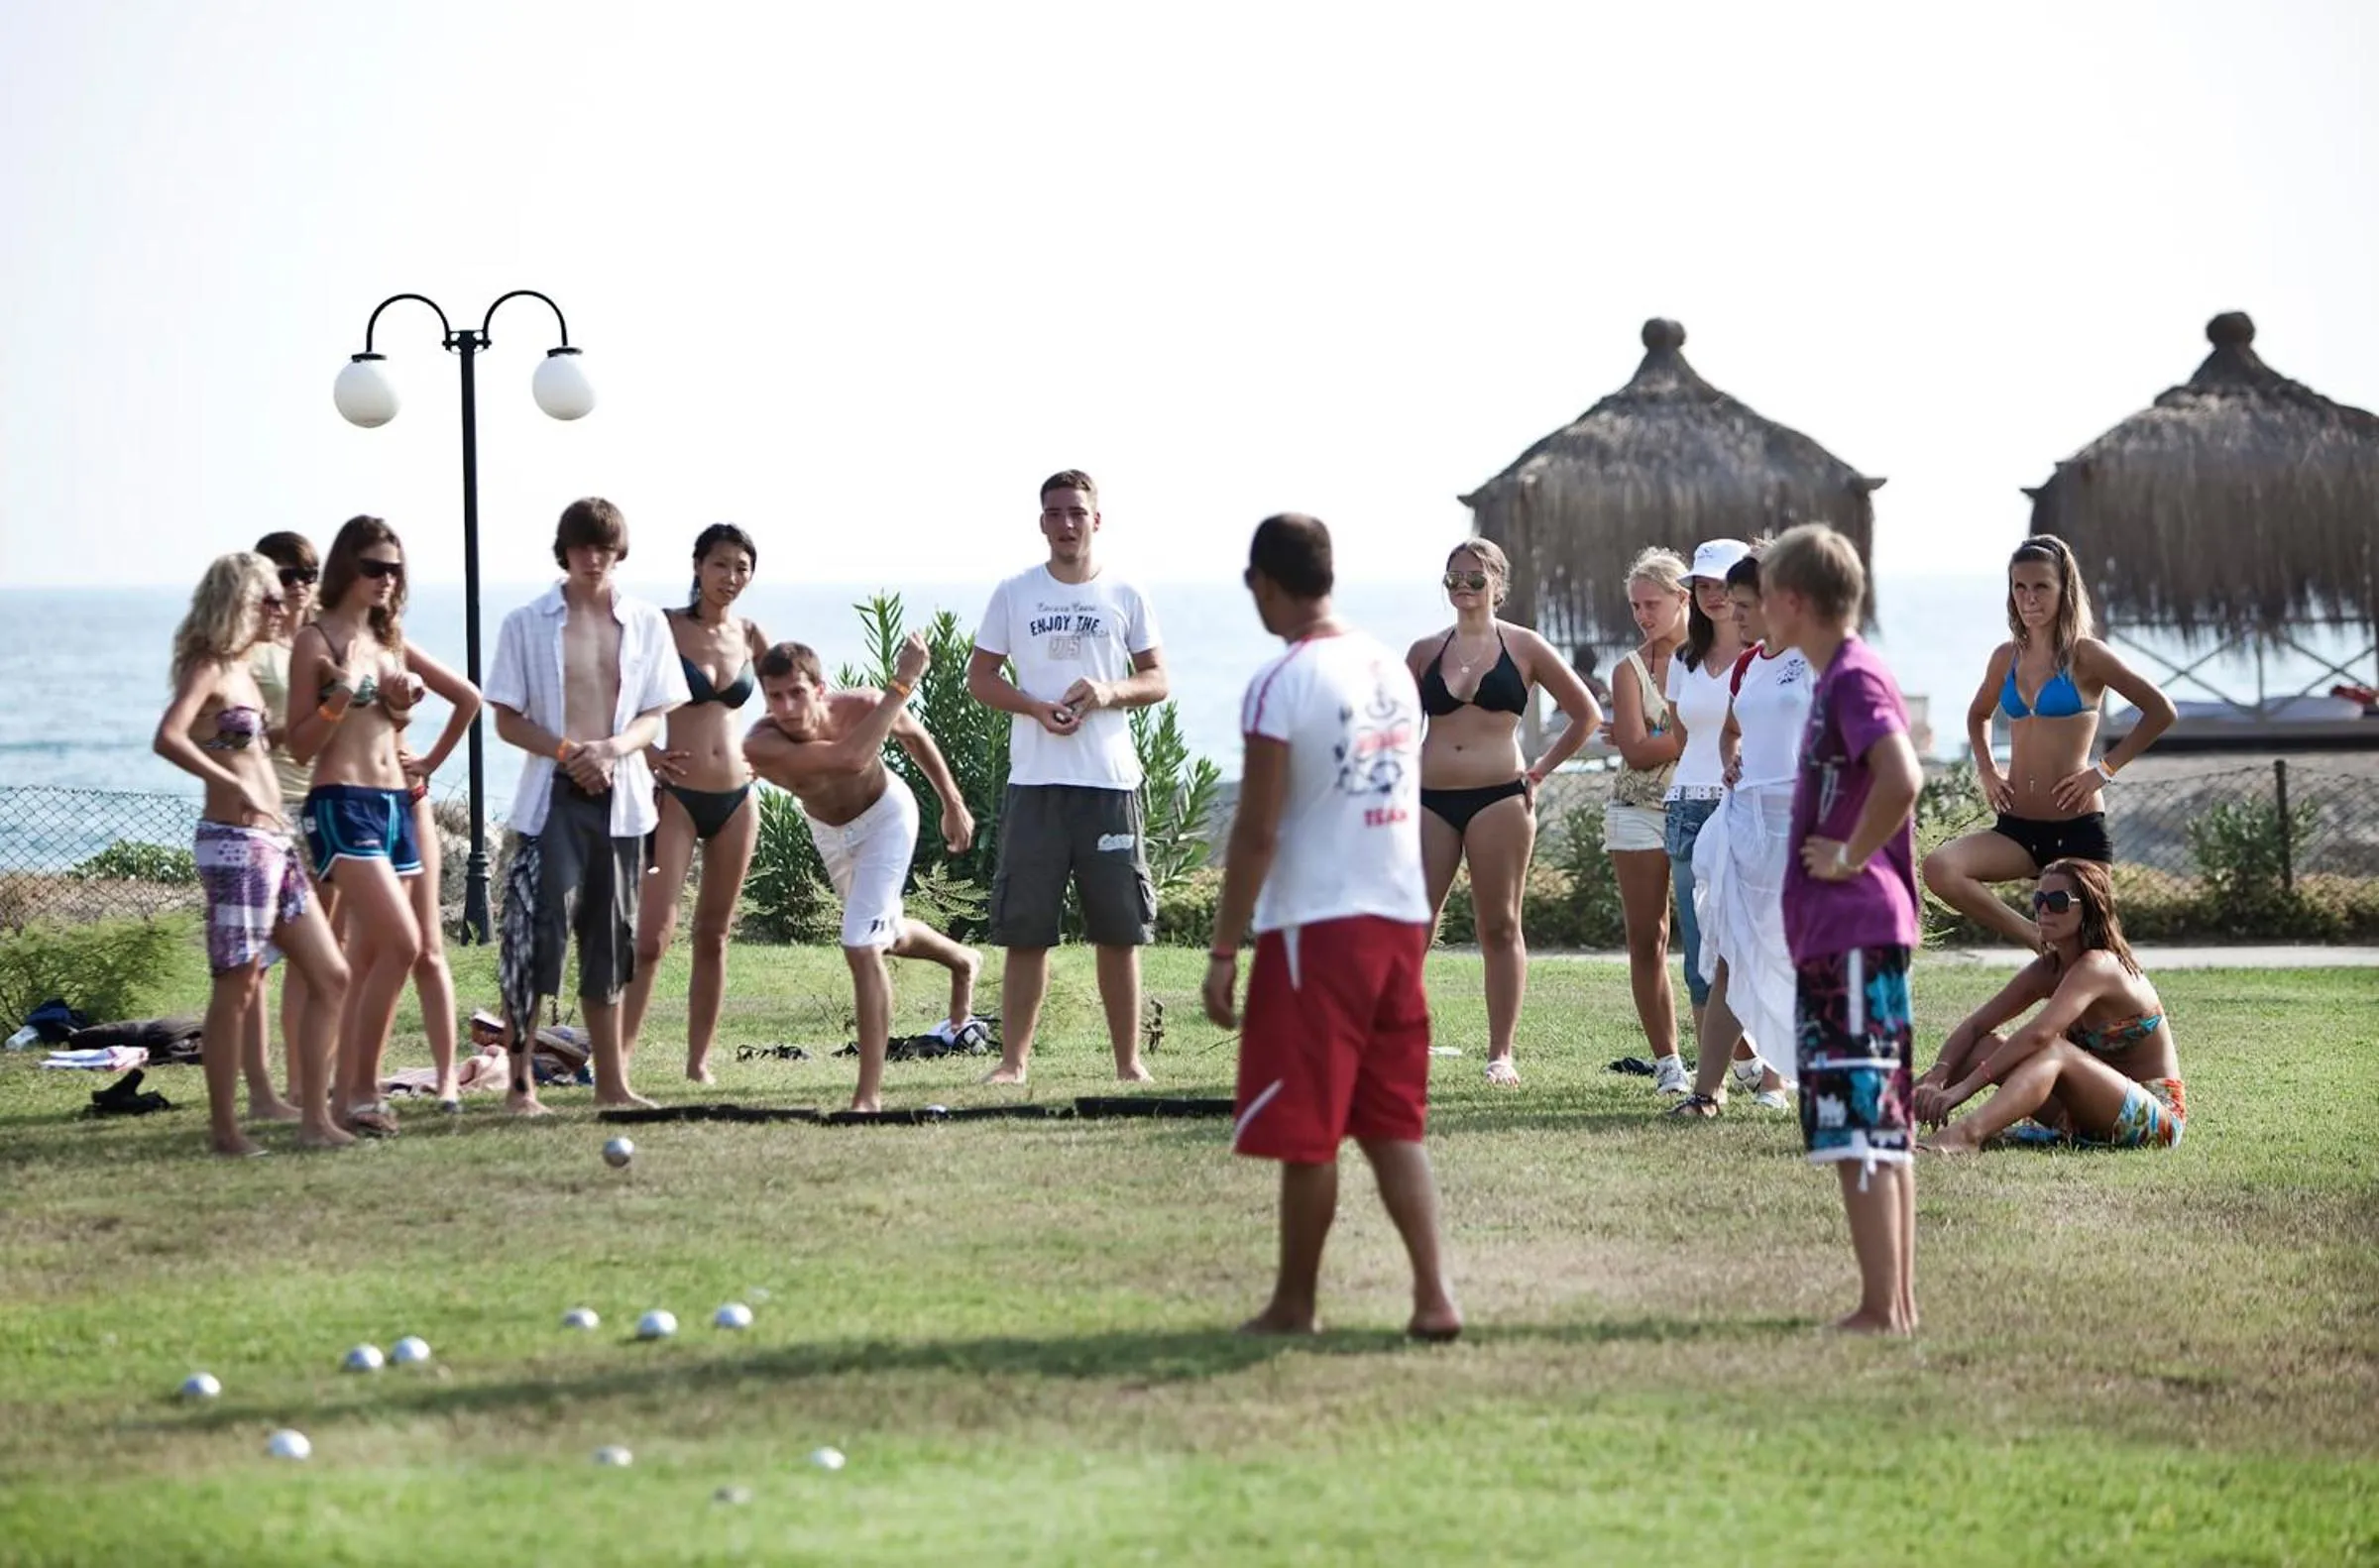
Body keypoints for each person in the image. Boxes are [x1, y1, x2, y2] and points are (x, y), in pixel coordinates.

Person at [1201, 513, 1460, 1342]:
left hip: (1318, 926)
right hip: (1396, 916)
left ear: (1263, 584)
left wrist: (1222, 948)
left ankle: (1295, 1305)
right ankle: (1433, 1296)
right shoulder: (1388, 664)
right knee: (1390, 1123)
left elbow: (1256, 828)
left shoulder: (1285, 681)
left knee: (1308, 1129)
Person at [1767, 521, 1924, 1335]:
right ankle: (1892, 1304)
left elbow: (1903, 776)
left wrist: (1850, 857)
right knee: (1878, 1120)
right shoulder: (1838, 679)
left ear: (1793, 602)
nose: (1758, 614)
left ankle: (1878, 1307)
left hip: (1854, 932)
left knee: (1859, 1122)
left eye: (1765, 599)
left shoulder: (1854, 678)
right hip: (1845, 936)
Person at [487, 498, 691, 1115]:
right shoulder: (526, 622)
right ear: (565, 550)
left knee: (612, 937)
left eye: (605, 547)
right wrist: (570, 749)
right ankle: (518, 1084)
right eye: (583, 546)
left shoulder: (647, 623)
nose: (594, 558)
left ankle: (612, 1082)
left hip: (624, 798)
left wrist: (611, 749)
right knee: (533, 933)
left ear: (619, 552)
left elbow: (655, 713)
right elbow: (505, 716)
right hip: (551, 796)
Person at [967, 470, 1168, 1086]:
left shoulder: (1126, 594)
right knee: (1027, 929)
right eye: (1055, 514)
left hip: (1109, 785)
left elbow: (1157, 679)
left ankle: (1129, 1064)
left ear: (1096, 520)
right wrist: (1032, 706)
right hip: (1036, 784)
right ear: (1042, 522)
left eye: (1077, 513)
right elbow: (980, 679)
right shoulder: (1014, 593)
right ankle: (1013, 1062)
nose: (1067, 524)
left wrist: (1108, 691)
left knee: (1119, 929)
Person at [152, 552, 352, 1155]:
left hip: (275, 843)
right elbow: (169, 735)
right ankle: (225, 1132)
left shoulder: (244, 669)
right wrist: (232, 781)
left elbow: (263, 744)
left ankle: (315, 1119)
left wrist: (332, 709)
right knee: (236, 987)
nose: (281, 607)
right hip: (234, 845)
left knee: (332, 974)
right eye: (269, 598)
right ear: (240, 600)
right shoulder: (208, 665)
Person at [284, 517, 476, 1136]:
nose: (386, 580)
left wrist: (402, 700)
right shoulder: (316, 641)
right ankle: (358, 1092)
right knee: (402, 943)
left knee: (389, 952)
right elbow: (299, 745)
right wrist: (340, 694)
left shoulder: (389, 641)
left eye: (395, 570)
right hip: (340, 803)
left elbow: (462, 701)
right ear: (346, 569)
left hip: (397, 804)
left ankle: (353, 1095)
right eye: (374, 568)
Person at [743, 637, 983, 1114]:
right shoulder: (760, 742)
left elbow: (914, 738)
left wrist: (952, 803)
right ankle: (963, 962)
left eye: (797, 692)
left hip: (886, 816)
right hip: (829, 833)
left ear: (820, 689)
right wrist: (903, 683)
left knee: (860, 943)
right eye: (774, 696)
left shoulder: (864, 706)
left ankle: (868, 1095)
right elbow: (847, 759)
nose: (787, 707)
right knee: (882, 936)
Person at [1406, 539, 1601, 1085]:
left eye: (1474, 579)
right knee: (1415, 921)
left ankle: (1501, 1053)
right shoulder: (1424, 651)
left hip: (1500, 798)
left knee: (1499, 923)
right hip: (1428, 798)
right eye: (1453, 580)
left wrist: (1538, 771)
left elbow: (1584, 715)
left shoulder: (1525, 646)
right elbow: (1394, 726)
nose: (1463, 590)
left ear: (1497, 583)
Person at [1924, 534, 2176, 950]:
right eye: (2019, 587)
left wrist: (2103, 771)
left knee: (2098, 954)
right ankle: (2035, 939)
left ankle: (2133, 1013)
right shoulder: (2006, 658)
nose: (2029, 598)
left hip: (2075, 828)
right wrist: (1987, 769)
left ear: (2065, 590)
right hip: (2017, 830)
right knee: (1940, 867)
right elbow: (1977, 715)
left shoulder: (2087, 656)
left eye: (2041, 586)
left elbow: (2160, 710)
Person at [622, 524, 771, 1084]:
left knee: (714, 935)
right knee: (653, 937)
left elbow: (800, 696)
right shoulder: (664, 626)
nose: (730, 578)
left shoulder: (753, 633)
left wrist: (767, 755)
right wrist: (649, 755)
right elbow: (619, 697)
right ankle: (620, 1058)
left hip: (738, 799)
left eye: (742, 568)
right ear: (697, 566)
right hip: (677, 799)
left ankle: (698, 1063)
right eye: (721, 565)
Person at [1917, 858, 2185, 1153]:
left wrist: (1964, 1089)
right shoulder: (2048, 969)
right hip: (2081, 1113)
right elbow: (1976, 1026)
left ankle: (1966, 1136)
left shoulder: (2100, 965)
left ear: (2090, 908)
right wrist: (1937, 1077)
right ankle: (1881, 1116)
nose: (2044, 909)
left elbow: (2039, 1035)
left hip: (2152, 1121)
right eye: (2039, 899)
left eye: (2058, 901)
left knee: (2053, 1050)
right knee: (1982, 1045)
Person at [1671, 547, 1803, 1117]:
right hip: (1744, 824)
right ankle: (1706, 1092)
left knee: (1793, 953)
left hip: (1800, 826)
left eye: (1745, 604)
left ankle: (1781, 1082)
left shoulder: (1816, 658)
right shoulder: (1750, 664)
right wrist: (1731, 757)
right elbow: (1732, 730)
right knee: (1729, 953)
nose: (1735, 613)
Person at [1661, 538, 1764, 1088]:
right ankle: (1714, 1083)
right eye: (1701, 585)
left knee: (1753, 943)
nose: (1711, 595)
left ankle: (1766, 1072)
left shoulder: (1771, 657)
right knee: (1700, 952)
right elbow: (1685, 736)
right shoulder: (1683, 660)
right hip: (1686, 805)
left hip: (1748, 807)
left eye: (1722, 584)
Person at [1605, 547, 1693, 1095]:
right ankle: (1668, 1063)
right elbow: (1635, 752)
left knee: (1716, 938)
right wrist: (1691, 736)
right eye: (1636, 605)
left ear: (1683, 599)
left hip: (1701, 808)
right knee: (1648, 938)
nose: (1642, 615)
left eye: (1652, 603)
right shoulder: (1628, 669)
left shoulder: (1717, 662)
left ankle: (1749, 1060)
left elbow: (1645, 740)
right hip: (1635, 812)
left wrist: (1658, 740)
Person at [241, 530, 318, 1124]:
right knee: (257, 963)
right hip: (271, 813)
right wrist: (290, 729)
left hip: (327, 808)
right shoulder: (250, 648)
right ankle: (263, 1092)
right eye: (285, 574)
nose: (297, 586)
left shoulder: (321, 640)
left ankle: (304, 1081)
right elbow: (227, 730)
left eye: (308, 573)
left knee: (319, 959)